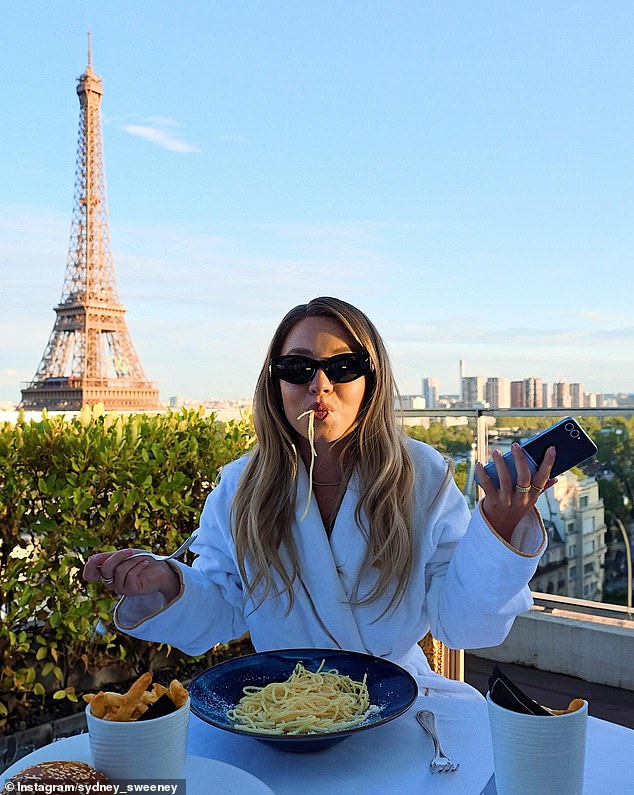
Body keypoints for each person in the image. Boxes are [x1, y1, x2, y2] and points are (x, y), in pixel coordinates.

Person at [84, 296, 554, 698]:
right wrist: (166, 582)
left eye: (343, 366)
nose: (319, 384)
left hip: (393, 699)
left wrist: (499, 529)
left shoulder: (420, 474)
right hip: (282, 705)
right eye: (297, 367)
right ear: (275, 383)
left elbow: (463, 623)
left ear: (372, 380)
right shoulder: (239, 487)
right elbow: (224, 606)